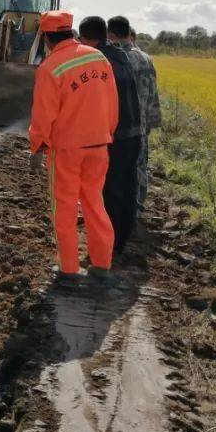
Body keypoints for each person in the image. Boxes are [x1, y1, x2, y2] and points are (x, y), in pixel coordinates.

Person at [28, 11, 119, 285]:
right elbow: (112, 104)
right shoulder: (98, 58)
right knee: (94, 202)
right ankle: (102, 264)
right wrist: (106, 133)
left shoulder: (50, 68)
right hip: (99, 144)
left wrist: (36, 145)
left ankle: (69, 269)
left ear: (45, 36)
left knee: (65, 206)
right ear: (70, 31)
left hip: (67, 149)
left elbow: (44, 115)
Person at [79, 16, 142, 261]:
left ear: (87, 39)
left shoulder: (100, 62)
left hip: (116, 135)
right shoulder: (122, 56)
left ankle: (108, 247)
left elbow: (98, 104)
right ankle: (121, 240)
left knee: (111, 191)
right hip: (135, 132)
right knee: (128, 187)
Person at [107, 15, 161, 221]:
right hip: (143, 123)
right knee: (140, 165)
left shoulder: (117, 59)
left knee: (119, 169)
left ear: (110, 34)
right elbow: (153, 92)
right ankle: (137, 208)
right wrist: (152, 120)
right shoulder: (146, 58)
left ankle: (121, 212)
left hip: (123, 124)